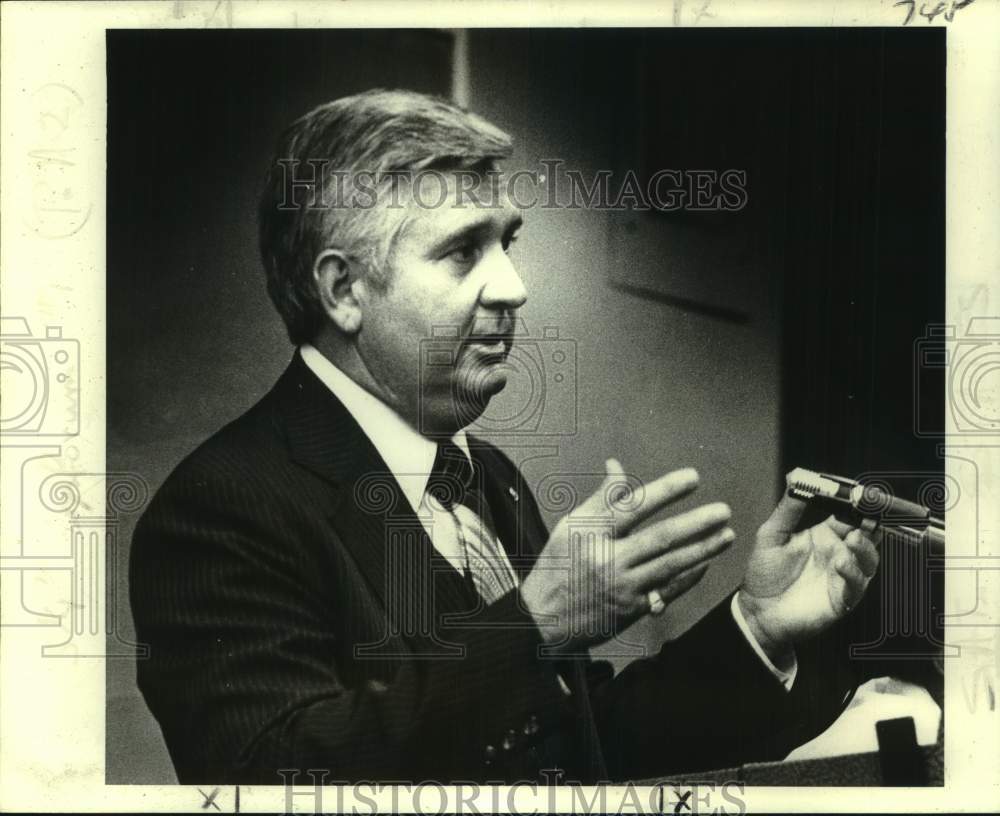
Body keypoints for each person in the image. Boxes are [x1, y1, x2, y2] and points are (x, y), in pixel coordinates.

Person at [129, 89, 881, 785]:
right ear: (343, 291)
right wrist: (539, 623)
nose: (514, 287)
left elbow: (588, 748)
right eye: (463, 252)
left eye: (507, 243)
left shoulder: (489, 476)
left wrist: (757, 628)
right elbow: (273, 778)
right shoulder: (221, 508)